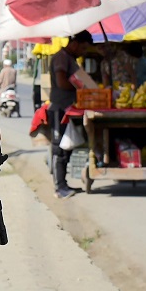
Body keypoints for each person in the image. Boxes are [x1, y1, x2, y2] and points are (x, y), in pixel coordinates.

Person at [49, 30, 93, 198]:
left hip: (69, 108)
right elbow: (61, 83)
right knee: (59, 147)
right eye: (82, 48)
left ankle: (63, 184)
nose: (83, 52)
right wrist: (81, 87)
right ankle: (59, 187)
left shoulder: (70, 59)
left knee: (67, 147)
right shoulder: (61, 57)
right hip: (60, 108)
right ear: (75, 44)